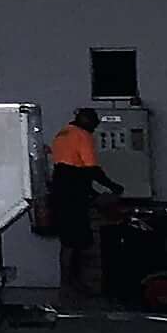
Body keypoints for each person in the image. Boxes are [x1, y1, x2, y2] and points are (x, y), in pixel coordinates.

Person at [45, 106, 120, 304]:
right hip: (73, 198)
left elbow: (67, 168)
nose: (95, 127)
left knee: (69, 242)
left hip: (62, 192)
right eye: (94, 123)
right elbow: (91, 170)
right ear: (87, 120)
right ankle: (71, 286)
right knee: (74, 242)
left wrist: (92, 193)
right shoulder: (82, 135)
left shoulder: (62, 133)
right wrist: (114, 187)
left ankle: (71, 284)